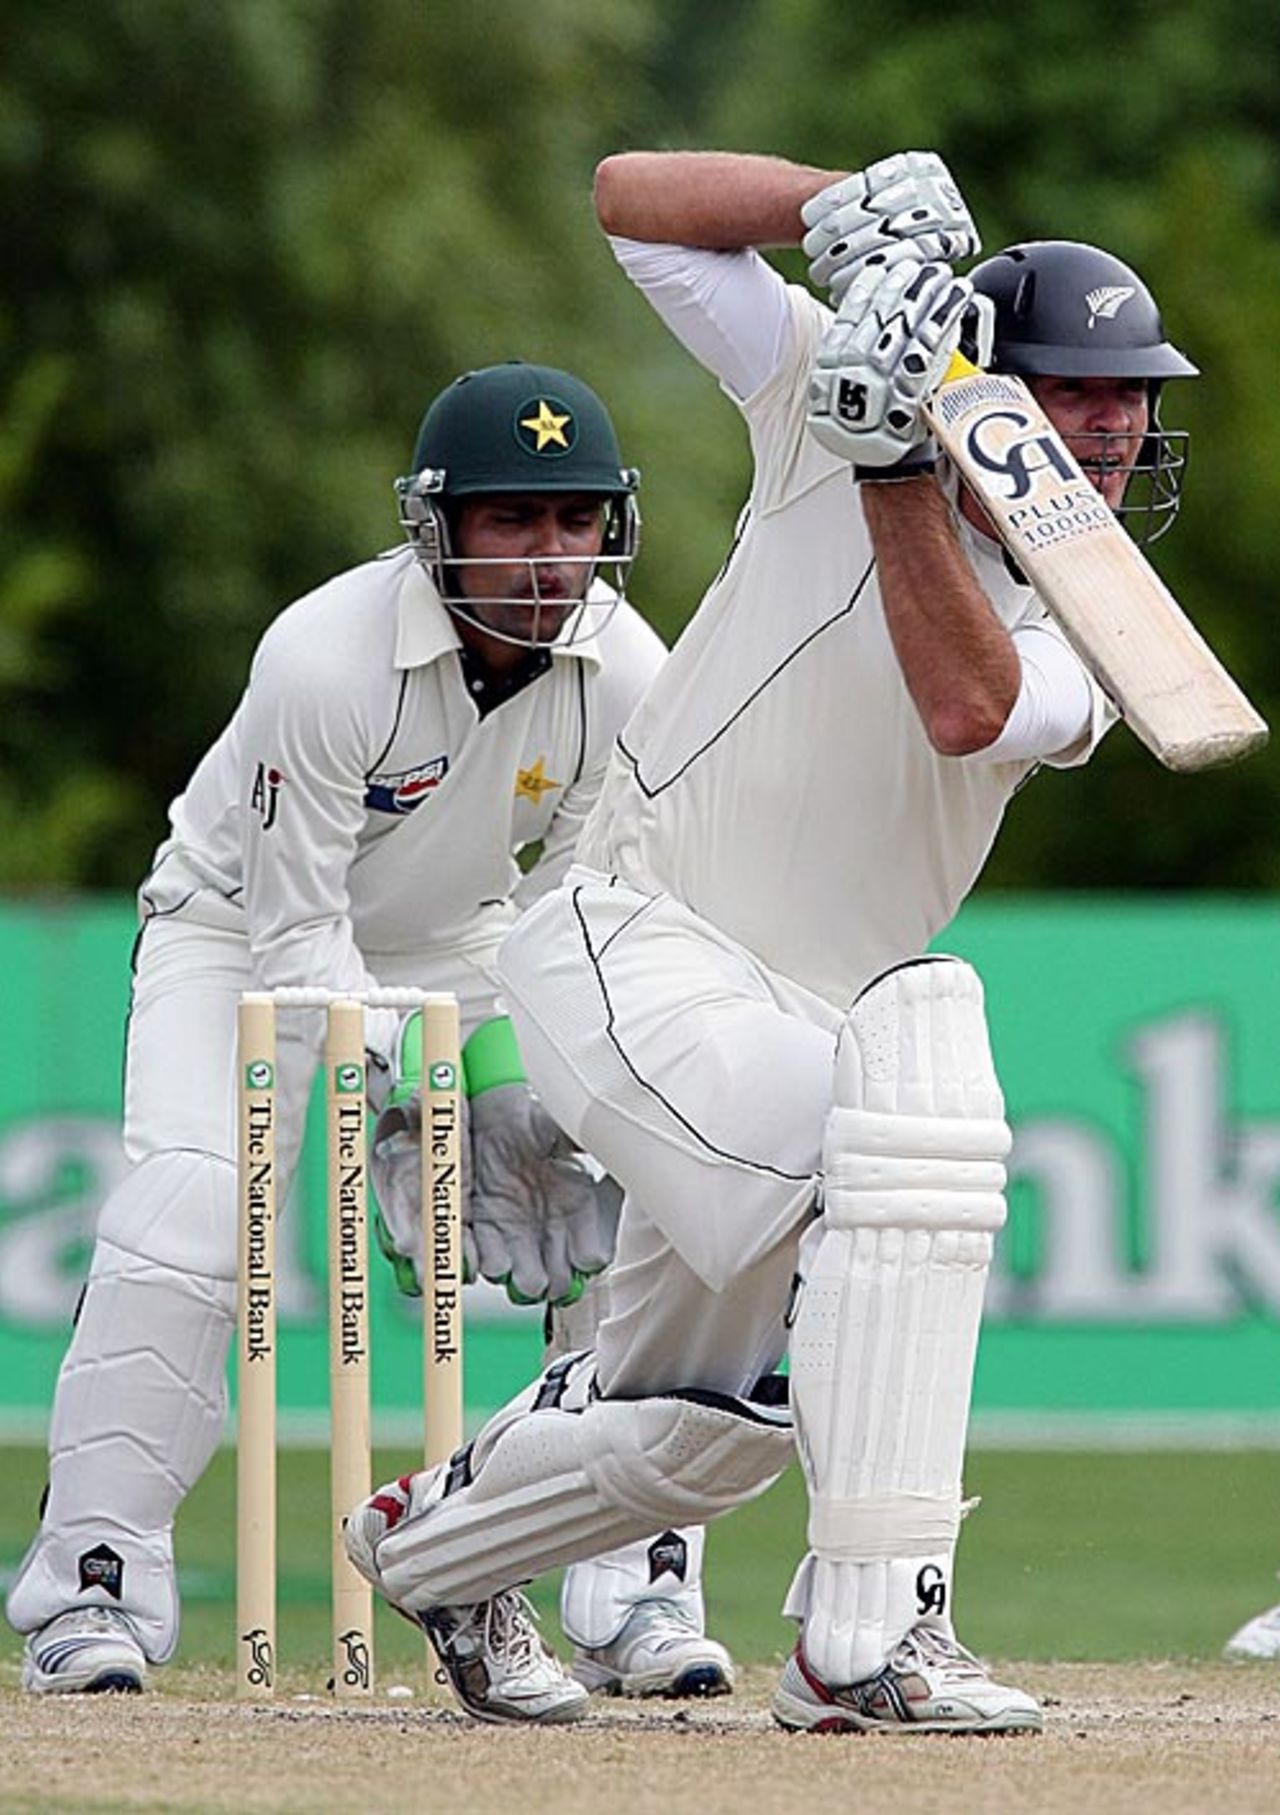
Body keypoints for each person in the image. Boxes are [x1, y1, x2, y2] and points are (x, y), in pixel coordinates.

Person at [343, 150, 1199, 1733]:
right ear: (978, 373)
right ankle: (866, 1640)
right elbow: (629, 201)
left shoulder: (1099, 612)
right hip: (638, 942)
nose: (1108, 426)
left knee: (697, 1429)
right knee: (901, 1141)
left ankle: (434, 1548)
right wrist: (845, 205)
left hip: (797, 1021)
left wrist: (896, 474)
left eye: (1131, 398)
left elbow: (968, 707)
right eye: (1076, 391)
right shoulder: (826, 392)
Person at [6, 359, 736, 1714]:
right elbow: (299, 941)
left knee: (640, 1198)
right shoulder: (323, 658)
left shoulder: (630, 671)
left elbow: (583, 915)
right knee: (191, 1211)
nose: (549, 556)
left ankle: (629, 1587)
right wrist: (419, 1091)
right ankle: (89, 1583)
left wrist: (514, 1080)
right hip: (234, 935)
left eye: (575, 520)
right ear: (438, 525)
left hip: (466, 944)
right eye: (512, 520)